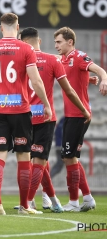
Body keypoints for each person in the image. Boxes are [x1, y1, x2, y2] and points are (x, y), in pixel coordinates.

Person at [0, 13, 52, 215]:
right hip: (20, 110)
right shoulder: (26, 48)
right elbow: (36, 81)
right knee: (23, 156)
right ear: (17, 27)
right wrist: (46, 105)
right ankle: (25, 206)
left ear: (1, 28)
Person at [19, 27, 91, 213]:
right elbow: (68, 89)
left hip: (23, 116)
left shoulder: (20, 61)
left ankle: (49, 199)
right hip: (45, 117)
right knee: (40, 160)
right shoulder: (52, 60)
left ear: (23, 43)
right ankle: (28, 202)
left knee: (33, 160)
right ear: (39, 41)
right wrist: (84, 109)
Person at [54, 26, 107, 212]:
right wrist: (88, 80)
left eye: (59, 42)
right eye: (55, 42)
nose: (56, 45)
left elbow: (99, 69)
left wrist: (103, 79)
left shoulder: (78, 57)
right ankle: (88, 198)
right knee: (72, 158)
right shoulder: (63, 60)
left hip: (79, 115)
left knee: (68, 158)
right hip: (71, 115)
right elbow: (76, 76)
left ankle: (74, 202)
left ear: (70, 42)